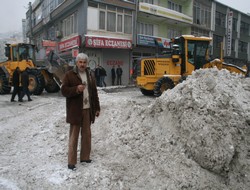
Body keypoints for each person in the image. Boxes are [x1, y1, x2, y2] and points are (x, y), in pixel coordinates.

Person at [61, 53, 100, 171]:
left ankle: (85, 157)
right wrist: (76, 89)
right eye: (80, 62)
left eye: (84, 62)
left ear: (87, 63)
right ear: (76, 63)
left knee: (87, 135)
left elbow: (94, 93)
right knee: (74, 136)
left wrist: (97, 107)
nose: (82, 64)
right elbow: (64, 91)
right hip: (75, 110)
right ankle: (71, 162)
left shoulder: (90, 75)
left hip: (88, 109)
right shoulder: (69, 75)